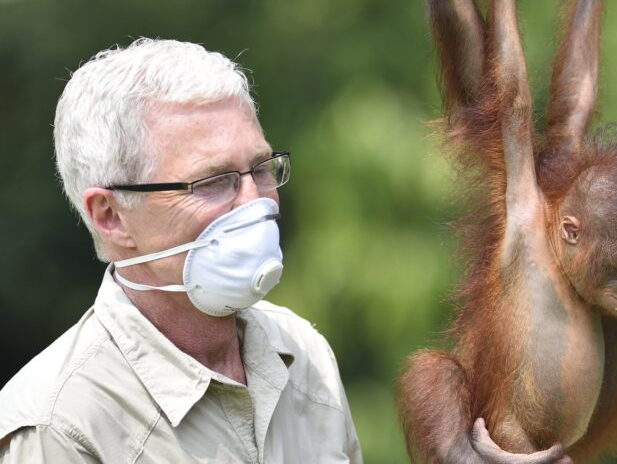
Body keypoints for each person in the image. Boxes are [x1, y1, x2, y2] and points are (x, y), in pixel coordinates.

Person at [0, 39, 363, 463]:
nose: (256, 202)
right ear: (111, 215)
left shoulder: (302, 353)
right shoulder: (60, 425)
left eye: (260, 169)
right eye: (212, 181)